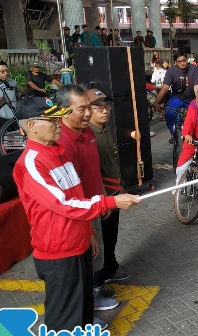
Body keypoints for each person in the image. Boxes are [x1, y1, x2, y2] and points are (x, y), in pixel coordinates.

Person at [12, 96, 140, 336]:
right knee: (63, 312)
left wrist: (89, 234)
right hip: (57, 251)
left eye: (59, 117)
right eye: (52, 120)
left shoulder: (58, 151)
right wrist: (110, 203)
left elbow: (76, 193)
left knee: (82, 304)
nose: (59, 124)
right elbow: (63, 203)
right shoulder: (32, 163)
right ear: (32, 126)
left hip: (78, 242)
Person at [56, 84, 121, 314]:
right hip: (82, 211)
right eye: (82, 109)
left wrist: (102, 196)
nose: (88, 114)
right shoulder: (62, 143)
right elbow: (69, 192)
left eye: (88, 108)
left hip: (96, 203)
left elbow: (93, 171)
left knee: (99, 249)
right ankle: (91, 298)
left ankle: (95, 289)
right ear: (64, 110)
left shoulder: (89, 132)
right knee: (89, 254)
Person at [87, 88, 132, 292]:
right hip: (101, 198)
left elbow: (111, 162)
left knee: (111, 235)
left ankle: (110, 268)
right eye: (99, 107)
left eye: (107, 107)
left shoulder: (104, 130)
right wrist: (103, 197)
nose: (105, 111)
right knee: (101, 239)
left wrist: (120, 185)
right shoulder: (88, 135)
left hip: (113, 193)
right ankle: (98, 282)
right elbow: (91, 172)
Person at [152, 52, 198, 140]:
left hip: (192, 98)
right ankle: (173, 134)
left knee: (197, 116)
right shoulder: (171, 71)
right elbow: (165, 88)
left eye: (184, 60)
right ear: (175, 62)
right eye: (179, 61)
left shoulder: (195, 69)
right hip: (178, 97)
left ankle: (195, 135)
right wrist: (156, 102)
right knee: (168, 114)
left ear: (187, 60)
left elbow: (196, 88)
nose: (182, 63)